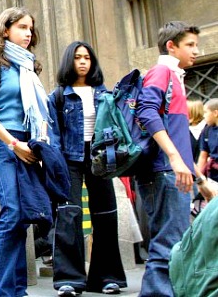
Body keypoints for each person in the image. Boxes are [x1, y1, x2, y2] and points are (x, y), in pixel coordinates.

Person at [135, 21, 215, 296]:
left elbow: (179, 138)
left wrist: (198, 177)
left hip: (172, 171)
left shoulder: (174, 75)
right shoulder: (161, 71)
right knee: (167, 244)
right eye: (190, 45)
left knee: (173, 242)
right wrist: (174, 159)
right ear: (172, 46)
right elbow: (145, 111)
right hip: (163, 172)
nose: (196, 51)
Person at [0, 6, 50, 297]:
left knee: (24, 215)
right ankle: (4, 291)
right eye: (21, 27)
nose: (28, 33)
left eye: (30, 28)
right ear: (5, 29)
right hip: (3, 142)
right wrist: (13, 144)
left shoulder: (28, 66)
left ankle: (18, 289)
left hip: (29, 144)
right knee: (12, 212)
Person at [47, 41, 127, 296]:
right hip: (68, 159)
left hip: (100, 157)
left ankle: (106, 278)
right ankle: (69, 280)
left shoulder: (104, 94)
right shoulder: (58, 95)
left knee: (105, 215)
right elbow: (53, 132)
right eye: (78, 57)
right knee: (69, 215)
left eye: (87, 58)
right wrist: (56, 161)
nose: (83, 62)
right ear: (69, 62)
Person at [197, 99, 218, 181]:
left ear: (215, 113)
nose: (203, 116)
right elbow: (203, 156)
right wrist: (200, 179)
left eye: (205, 112)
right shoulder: (206, 131)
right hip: (213, 179)